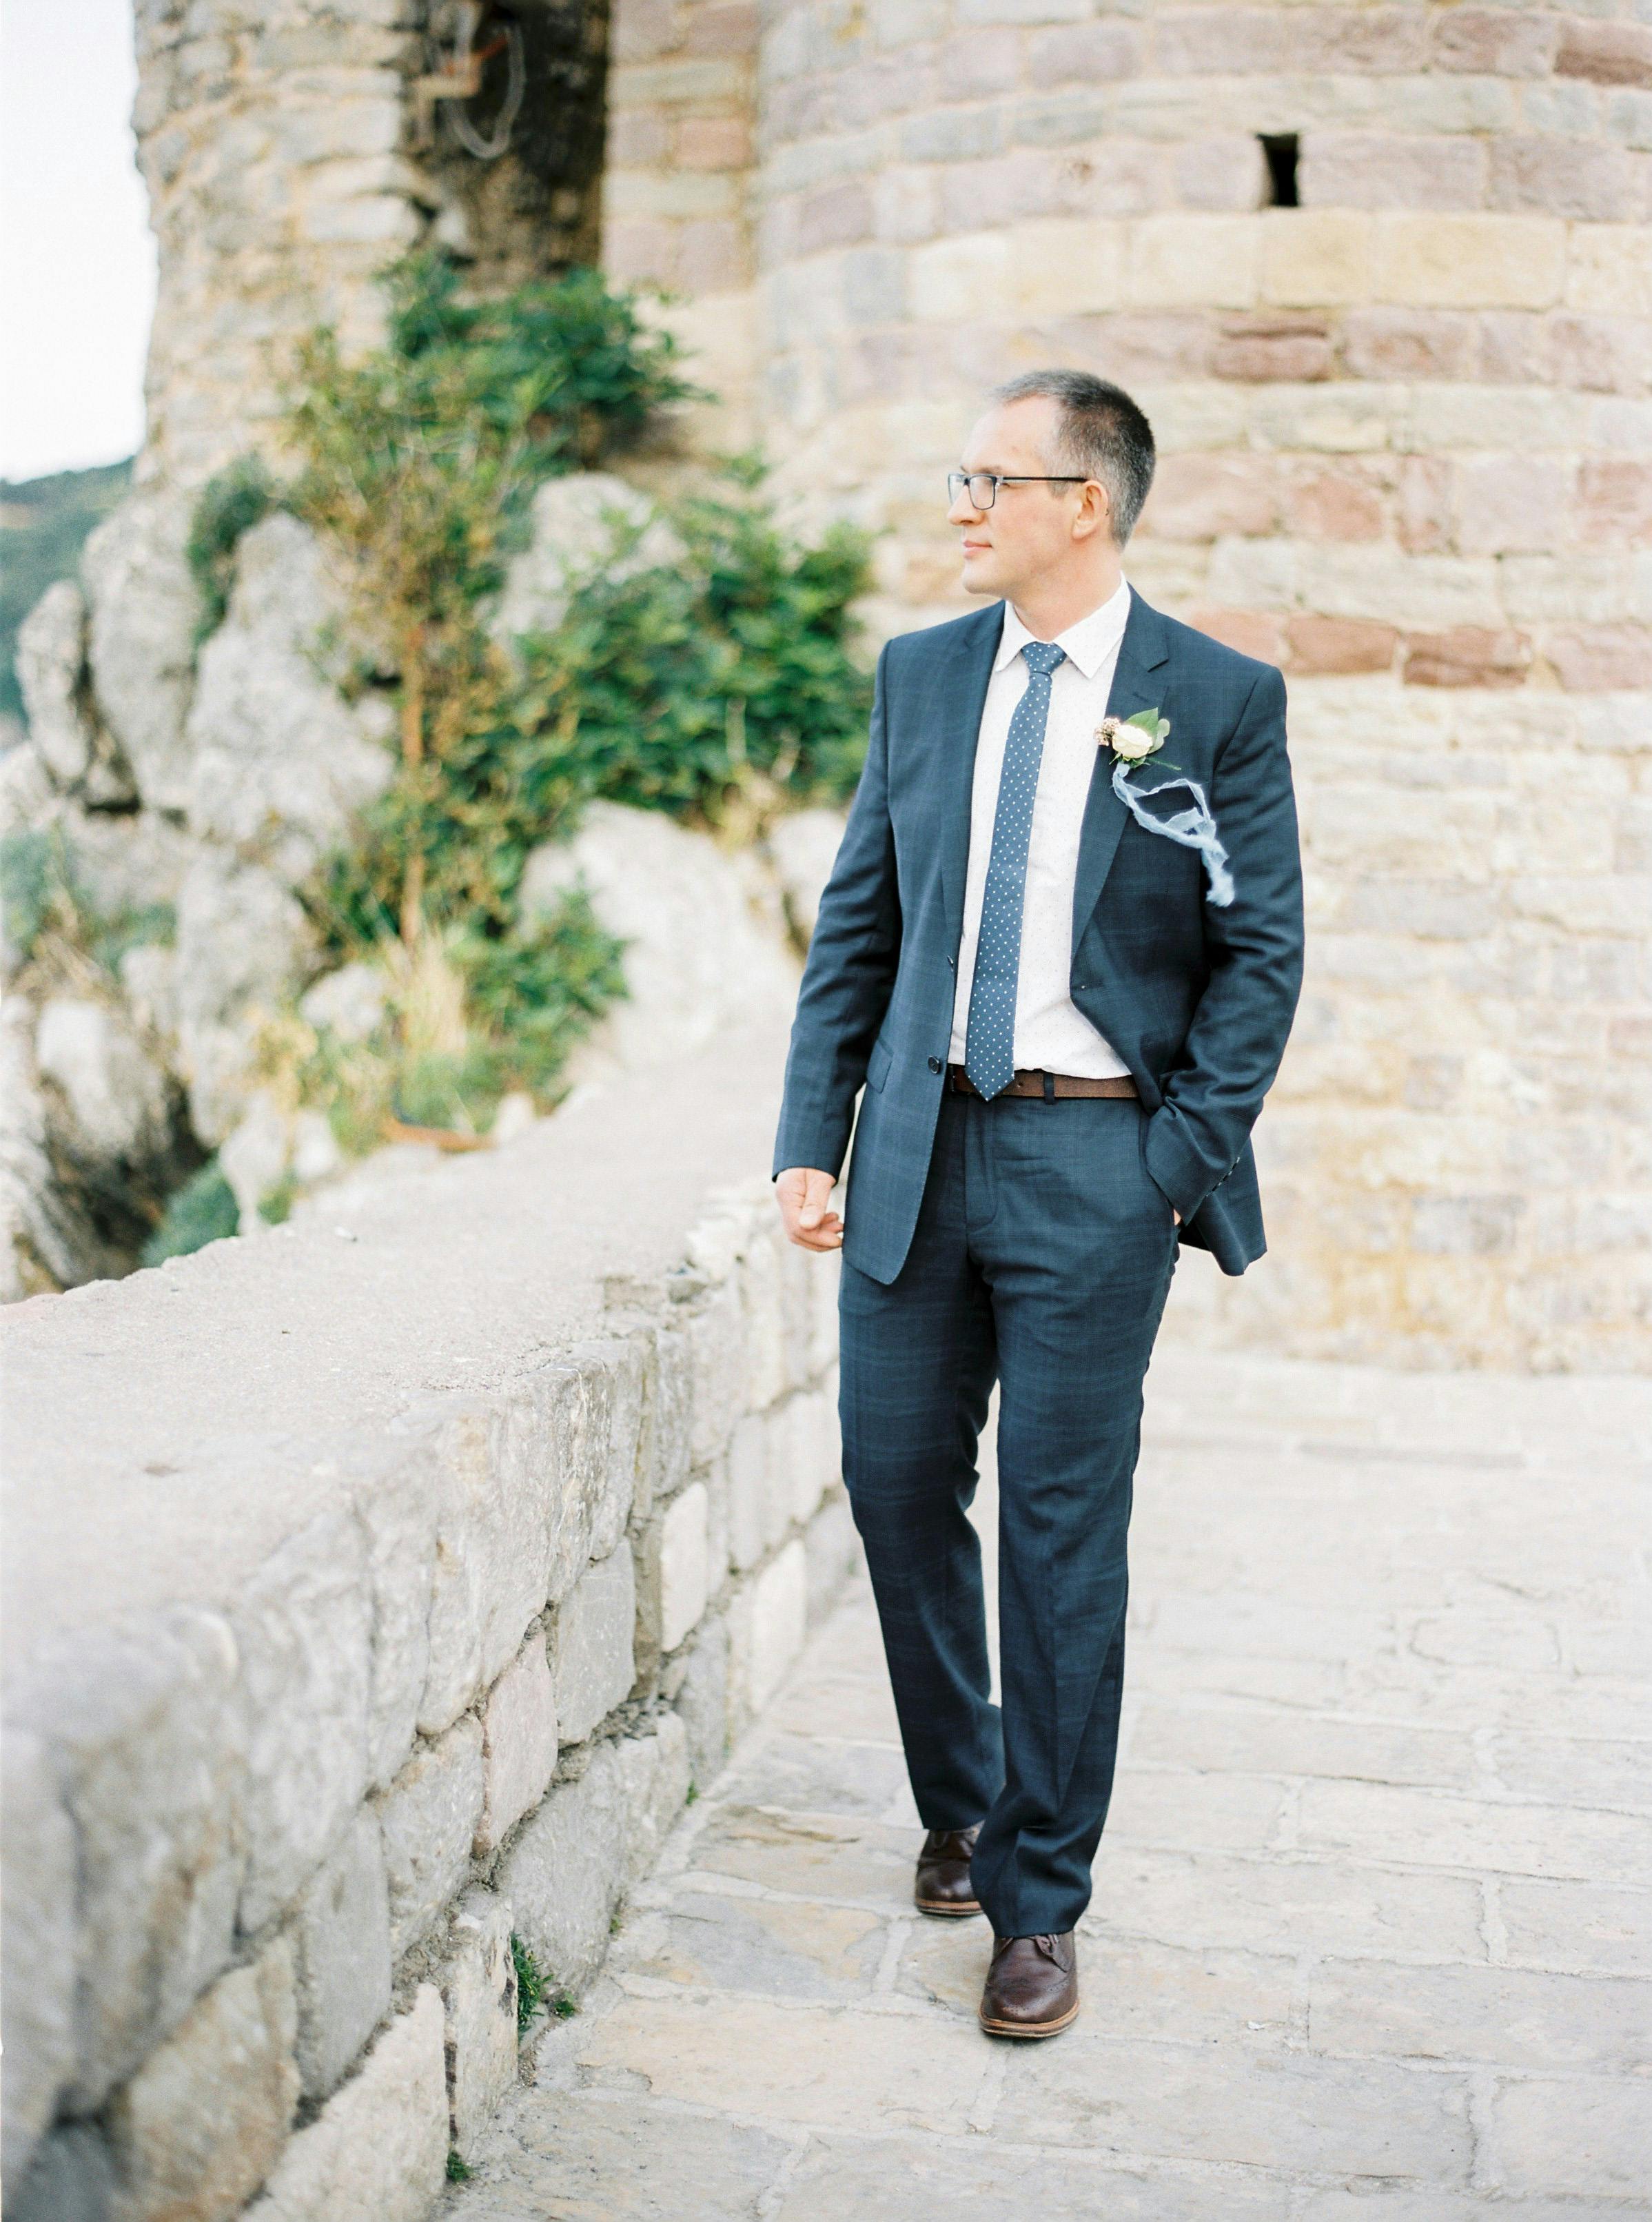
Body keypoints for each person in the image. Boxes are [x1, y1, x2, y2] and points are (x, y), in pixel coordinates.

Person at [771, 369, 1304, 2039]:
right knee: (892, 1481)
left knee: (1064, 1533)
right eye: (961, 477)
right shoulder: (920, 678)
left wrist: (1167, 1161)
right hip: (916, 1153)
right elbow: (858, 919)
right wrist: (810, 1134)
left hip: (1093, 1163)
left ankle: (1036, 1897)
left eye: (988, 479)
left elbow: (1259, 952)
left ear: (1085, 500)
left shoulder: (1211, 698)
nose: (959, 507)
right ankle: (966, 1796)